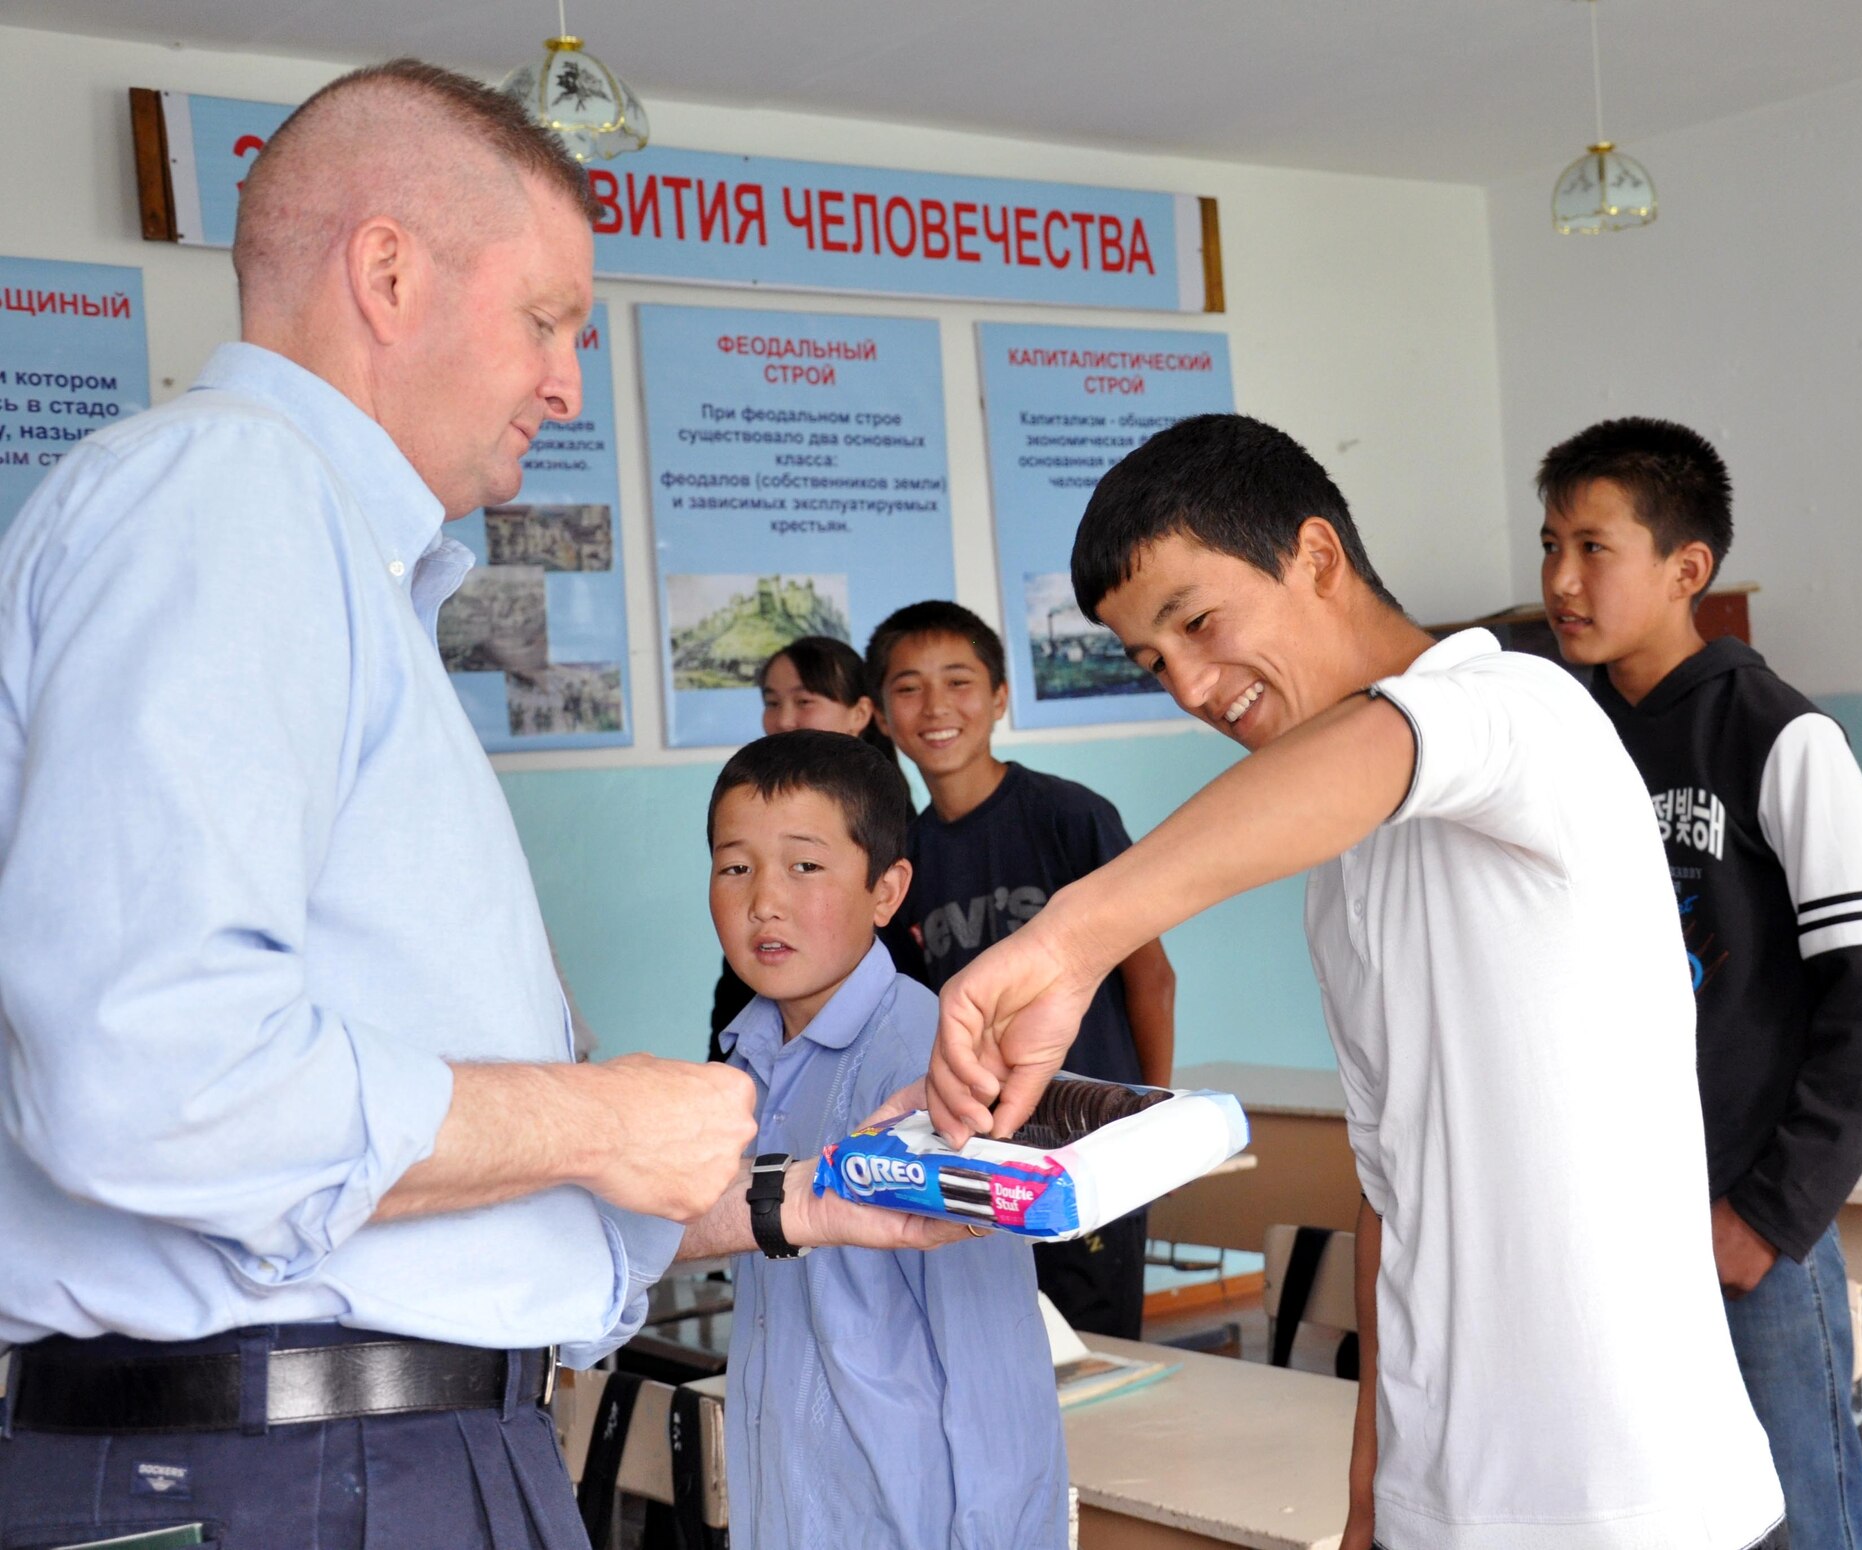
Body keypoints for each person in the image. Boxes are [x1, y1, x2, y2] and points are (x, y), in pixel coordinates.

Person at [0, 60, 944, 1549]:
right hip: (294, 1472)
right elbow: (153, 1076)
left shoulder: (338, 570)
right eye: (548, 317)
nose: (570, 379)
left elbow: (411, 1184)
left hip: (370, 1454)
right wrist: (592, 1115)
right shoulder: (231, 498)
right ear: (386, 271)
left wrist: (780, 1199)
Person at [917, 413, 1786, 1550]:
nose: (1186, 682)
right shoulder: (1342, 869)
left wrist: (1068, 942)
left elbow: (1384, 745)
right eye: (1151, 660)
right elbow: (1389, 1192)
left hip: (1635, 1503)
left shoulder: (1524, 709)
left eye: (1196, 622)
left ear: (1315, 557)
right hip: (1446, 1500)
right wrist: (1375, 1481)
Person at [1539, 417, 1862, 1549]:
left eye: (1591, 547)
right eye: (1548, 543)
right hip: (1599, 1228)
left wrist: (1765, 1215)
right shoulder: (1564, 741)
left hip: (1741, 1228)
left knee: (1801, 1521)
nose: (1559, 579)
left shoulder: (1780, 736)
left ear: (1683, 568)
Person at [707, 730, 1068, 1549]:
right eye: (735, 866)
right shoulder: (749, 1062)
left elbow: (994, 1361)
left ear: (887, 889)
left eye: (805, 866)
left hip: (903, 1521)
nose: (764, 899)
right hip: (791, 1512)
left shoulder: (928, 1065)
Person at [863, 599, 1176, 1339]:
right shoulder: (902, 859)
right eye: (908, 688)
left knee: (1099, 1354)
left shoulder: (1070, 817)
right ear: (880, 714)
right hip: (978, 1161)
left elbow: (1151, 977)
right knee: (999, 1353)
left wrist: (1146, 1126)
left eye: (959, 681)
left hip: (1091, 1153)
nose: (936, 707)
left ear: (1000, 697)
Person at [707, 635, 922, 1056]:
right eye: (736, 868)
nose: (784, 720)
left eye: (804, 701)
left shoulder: (908, 1050)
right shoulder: (752, 1003)